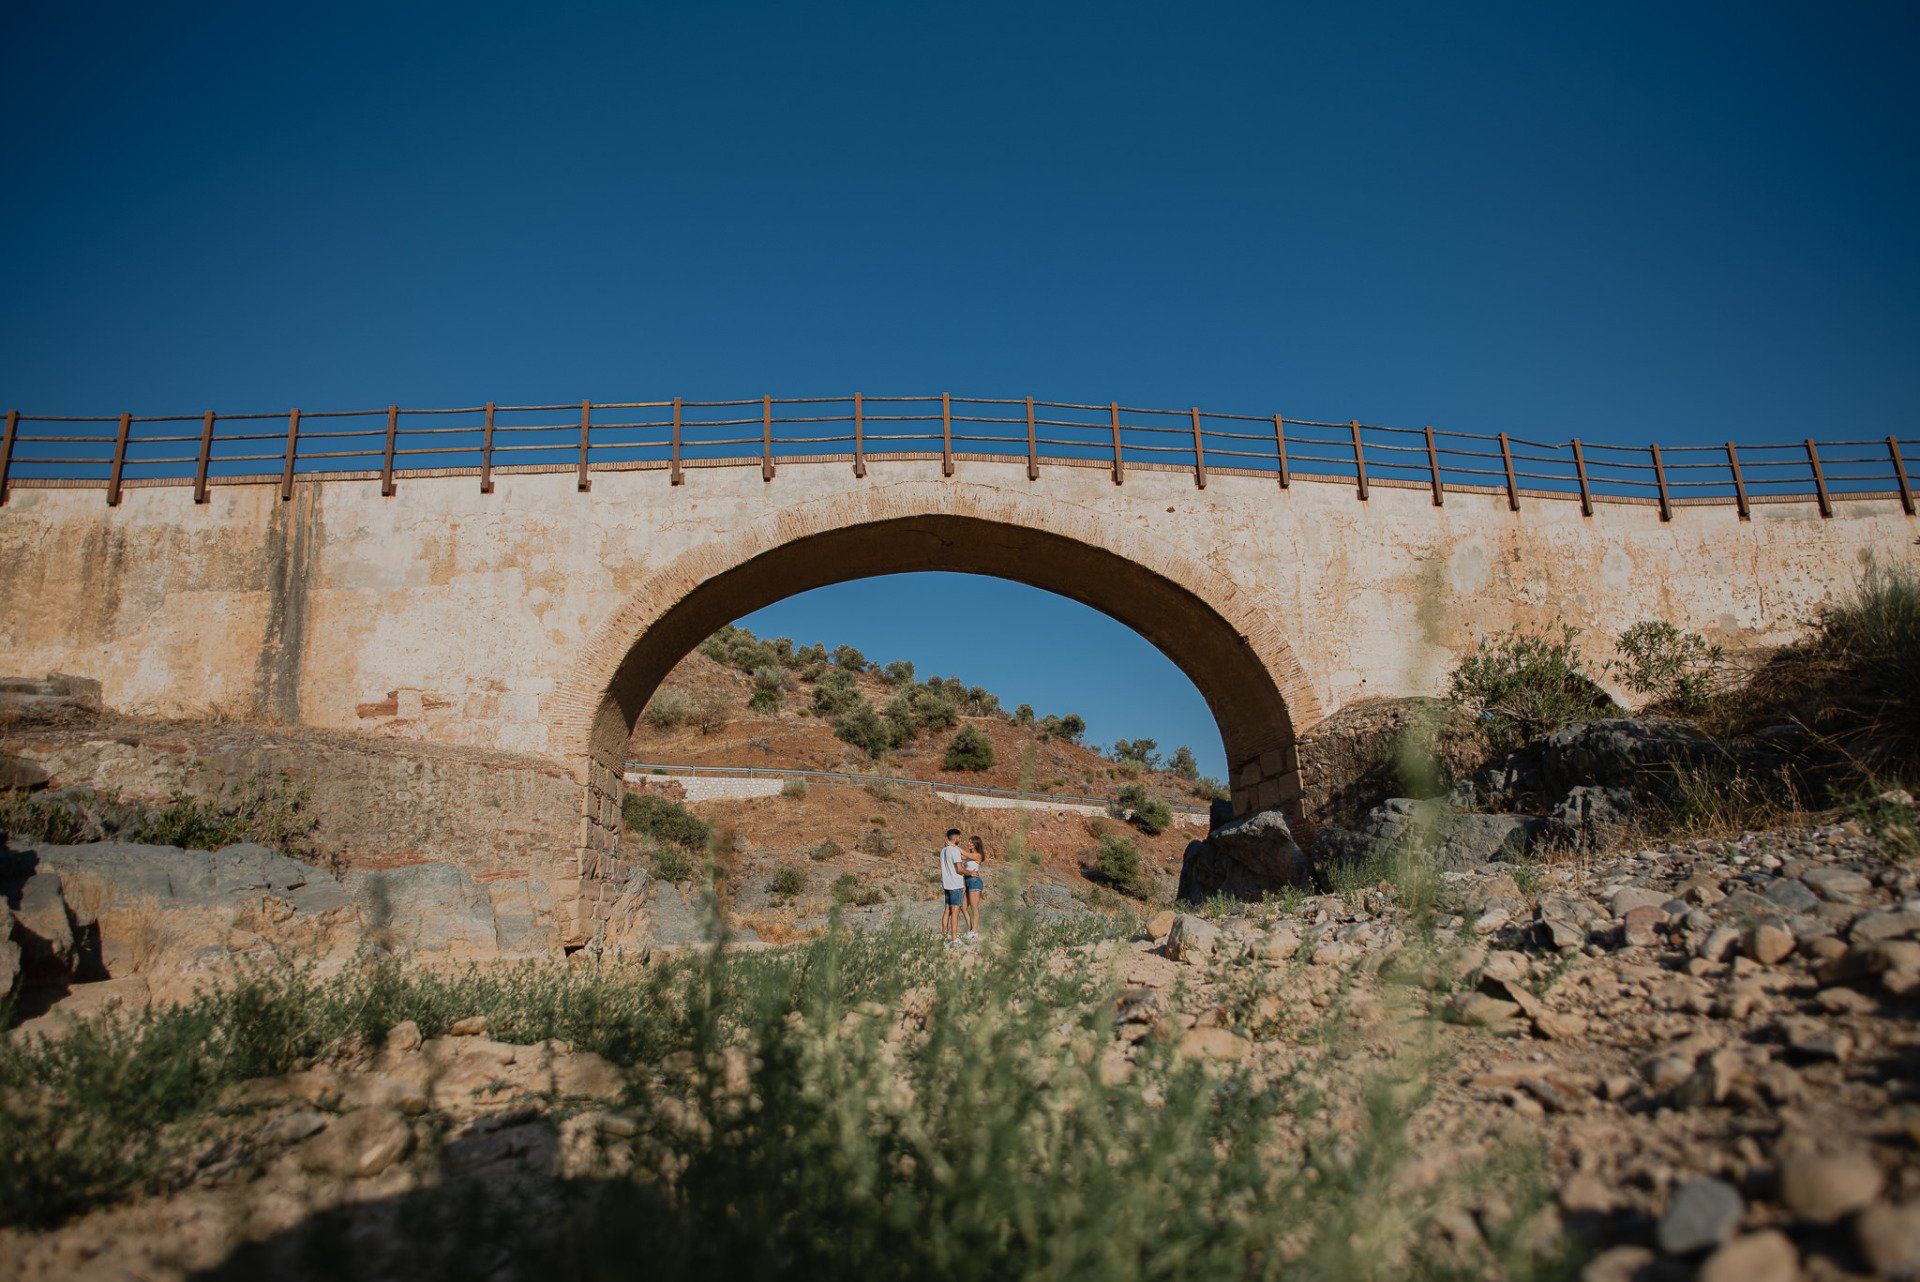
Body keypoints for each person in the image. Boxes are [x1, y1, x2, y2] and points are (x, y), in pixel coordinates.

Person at [938, 828, 967, 944]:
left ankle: (945, 938)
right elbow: (959, 869)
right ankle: (954, 938)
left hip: (946, 884)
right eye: (959, 837)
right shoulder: (954, 851)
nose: (960, 839)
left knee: (946, 911)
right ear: (955, 837)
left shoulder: (943, 850)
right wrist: (970, 873)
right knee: (955, 911)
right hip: (956, 885)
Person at [962, 834, 986, 939]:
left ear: (976, 844)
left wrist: (953, 845)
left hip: (974, 882)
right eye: (969, 841)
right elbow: (960, 856)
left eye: (971, 842)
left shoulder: (978, 855)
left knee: (974, 907)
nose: (969, 843)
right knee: (963, 907)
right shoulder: (968, 856)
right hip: (967, 882)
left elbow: (963, 853)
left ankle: (975, 931)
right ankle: (971, 929)